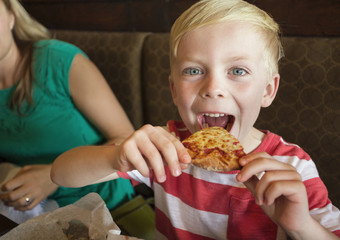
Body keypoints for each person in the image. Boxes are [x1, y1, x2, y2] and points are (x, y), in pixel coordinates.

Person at [51, 0, 340, 239]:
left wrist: (300, 226)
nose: (212, 87)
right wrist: (117, 157)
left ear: (268, 90)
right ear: (174, 90)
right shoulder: (166, 148)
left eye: (237, 71)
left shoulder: (293, 166)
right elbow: (60, 174)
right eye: (193, 71)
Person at [0, 0, 135, 224]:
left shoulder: (60, 61)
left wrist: (52, 177)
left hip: (109, 209)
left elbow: (127, 142)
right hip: (34, 217)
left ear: (11, 16)